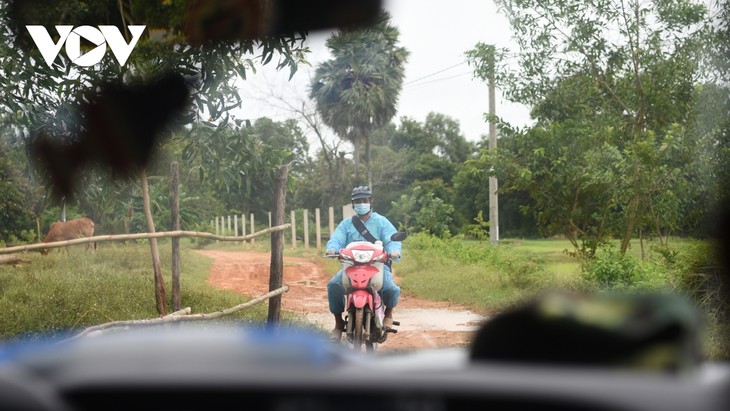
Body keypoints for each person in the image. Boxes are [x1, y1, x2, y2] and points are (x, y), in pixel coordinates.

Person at [325, 186, 403, 342]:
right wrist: (331, 248)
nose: (361, 204)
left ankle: (388, 314)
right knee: (333, 285)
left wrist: (393, 251)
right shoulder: (346, 224)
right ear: (353, 204)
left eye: (364, 200)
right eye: (357, 201)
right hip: (352, 267)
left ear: (371, 202)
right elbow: (336, 239)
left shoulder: (382, 222)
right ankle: (339, 324)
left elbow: (391, 240)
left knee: (392, 288)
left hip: (377, 266)